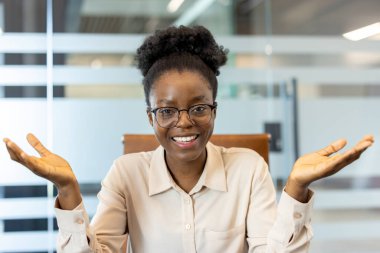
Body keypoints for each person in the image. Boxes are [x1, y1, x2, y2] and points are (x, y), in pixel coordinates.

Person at [3, 26, 374, 253]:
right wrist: (68, 192)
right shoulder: (125, 174)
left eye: (198, 108)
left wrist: (295, 191)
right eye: (167, 111)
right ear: (151, 117)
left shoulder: (248, 169)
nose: (184, 123)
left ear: (215, 110)